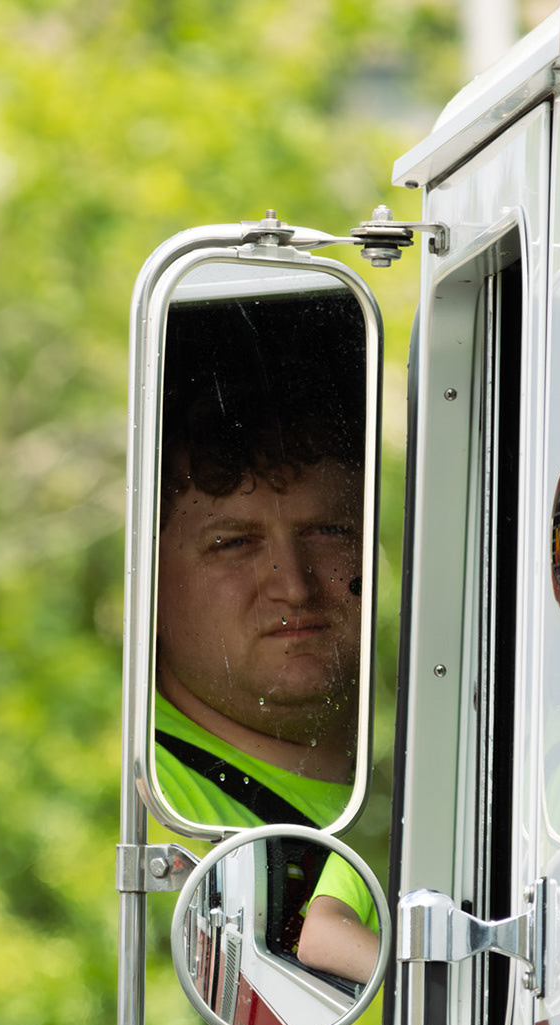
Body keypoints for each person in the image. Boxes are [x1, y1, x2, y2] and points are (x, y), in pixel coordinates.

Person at [151, 324, 380, 984]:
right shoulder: (148, 805)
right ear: (149, 586)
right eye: (232, 543)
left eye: (329, 530)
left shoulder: (441, 747)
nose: (294, 583)